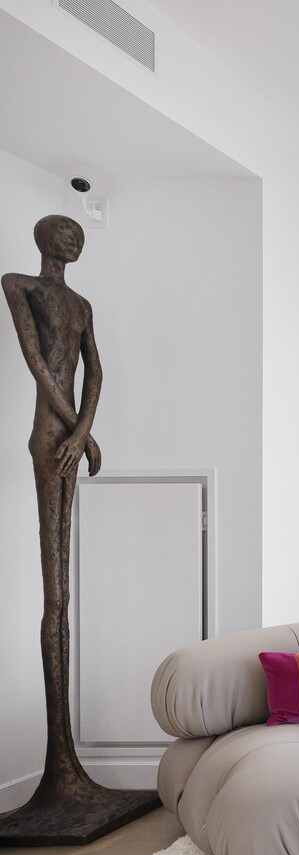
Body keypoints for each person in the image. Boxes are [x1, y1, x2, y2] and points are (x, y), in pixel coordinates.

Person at [3, 214, 103, 797]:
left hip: (69, 437)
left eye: (78, 235)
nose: (75, 241)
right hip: (48, 438)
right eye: (67, 233)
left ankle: (67, 764)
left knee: (62, 592)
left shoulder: (82, 305)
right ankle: (59, 765)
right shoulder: (19, 285)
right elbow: (37, 363)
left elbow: (96, 371)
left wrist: (84, 431)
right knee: (54, 594)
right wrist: (77, 432)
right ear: (45, 240)